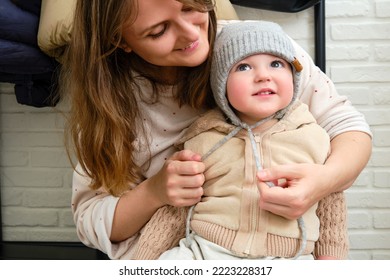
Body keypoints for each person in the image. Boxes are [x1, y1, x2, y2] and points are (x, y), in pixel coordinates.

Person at [62, 0, 372, 260]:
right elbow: (92, 221)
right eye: (159, 31)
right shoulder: (110, 103)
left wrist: (323, 181)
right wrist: (155, 192)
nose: (190, 33)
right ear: (120, 40)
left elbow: (348, 128)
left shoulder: (257, 47)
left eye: (191, 6)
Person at [159, 20, 347, 260]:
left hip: (290, 256)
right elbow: (176, 209)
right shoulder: (203, 141)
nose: (263, 76)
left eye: (276, 63)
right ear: (221, 85)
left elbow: (332, 202)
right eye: (244, 67)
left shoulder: (314, 137)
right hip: (207, 249)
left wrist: (332, 261)